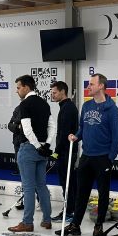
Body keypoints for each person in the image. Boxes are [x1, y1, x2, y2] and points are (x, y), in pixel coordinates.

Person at [65, 73, 118, 236]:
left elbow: (116, 139)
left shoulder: (112, 109)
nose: (88, 87)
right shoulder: (86, 106)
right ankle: (75, 224)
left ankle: (99, 225)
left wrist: (110, 159)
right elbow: (83, 128)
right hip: (86, 156)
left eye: (91, 84)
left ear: (101, 86)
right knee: (81, 192)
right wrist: (76, 136)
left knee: (103, 193)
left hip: (103, 157)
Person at [8, 74, 54, 232]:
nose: (17, 91)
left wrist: (36, 145)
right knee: (41, 185)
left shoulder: (25, 104)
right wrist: (46, 144)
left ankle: (27, 222)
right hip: (42, 149)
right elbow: (52, 126)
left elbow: (26, 129)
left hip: (29, 148)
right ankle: (47, 220)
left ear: (26, 87)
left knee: (28, 187)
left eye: (18, 87)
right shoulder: (44, 103)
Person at [50, 80, 79, 222]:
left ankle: (69, 212)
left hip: (66, 152)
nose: (52, 95)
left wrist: (56, 152)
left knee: (67, 183)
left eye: (54, 92)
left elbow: (64, 134)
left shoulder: (68, 108)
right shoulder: (65, 107)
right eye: (51, 92)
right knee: (69, 182)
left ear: (62, 91)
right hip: (65, 152)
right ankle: (70, 210)